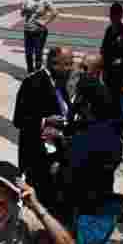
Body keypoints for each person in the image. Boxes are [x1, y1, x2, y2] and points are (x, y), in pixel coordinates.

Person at [59, 77, 123, 244]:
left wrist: (64, 143)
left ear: (87, 103)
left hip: (88, 214)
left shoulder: (88, 136)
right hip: (107, 212)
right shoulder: (111, 131)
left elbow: (71, 169)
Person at [12, 44, 74, 212]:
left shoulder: (60, 83)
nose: (71, 69)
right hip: (38, 159)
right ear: (54, 64)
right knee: (38, 206)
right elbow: (19, 120)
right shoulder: (33, 82)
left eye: (71, 64)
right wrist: (45, 121)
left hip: (57, 156)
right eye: (67, 64)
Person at [100, 2, 123, 107]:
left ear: (120, 15)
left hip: (121, 71)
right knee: (108, 96)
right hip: (108, 69)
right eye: (112, 14)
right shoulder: (109, 30)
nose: (113, 17)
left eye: (116, 14)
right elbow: (103, 49)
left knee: (118, 97)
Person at [22, 0, 58, 74]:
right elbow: (22, 14)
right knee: (28, 53)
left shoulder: (46, 0)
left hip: (39, 31)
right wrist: (26, 10)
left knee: (38, 53)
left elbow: (55, 12)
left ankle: (37, 74)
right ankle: (30, 73)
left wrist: (45, 22)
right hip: (28, 29)